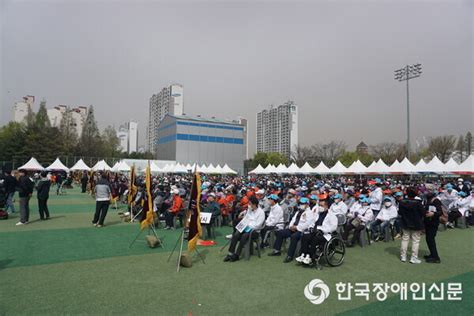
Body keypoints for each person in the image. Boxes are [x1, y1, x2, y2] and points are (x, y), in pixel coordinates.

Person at [268, 197, 317, 263]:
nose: (301, 205)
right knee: (280, 233)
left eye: (303, 203)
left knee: (294, 237)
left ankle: (290, 256)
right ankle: (277, 250)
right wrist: (291, 226)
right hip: (292, 228)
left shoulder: (310, 213)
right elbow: (293, 220)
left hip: (301, 230)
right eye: (300, 203)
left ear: (307, 204)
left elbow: (307, 224)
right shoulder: (298, 211)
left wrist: (296, 227)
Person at [296, 195, 338, 265]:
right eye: (319, 205)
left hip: (325, 234)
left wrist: (323, 230)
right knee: (305, 236)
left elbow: (333, 227)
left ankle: (311, 256)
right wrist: (310, 227)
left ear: (326, 206)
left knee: (314, 239)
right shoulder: (318, 214)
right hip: (315, 231)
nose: (320, 207)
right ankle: (303, 254)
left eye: (322, 206)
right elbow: (312, 222)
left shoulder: (332, 215)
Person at [224, 195, 265, 262]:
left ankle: (237, 254)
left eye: (250, 204)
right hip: (246, 228)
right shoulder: (250, 209)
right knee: (236, 233)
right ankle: (230, 253)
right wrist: (243, 225)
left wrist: (249, 226)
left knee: (244, 236)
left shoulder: (261, 212)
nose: (249, 205)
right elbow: (246, 218)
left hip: (254, 231)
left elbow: (259, 225)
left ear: (254, 204)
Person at [398, 187, 425, 264]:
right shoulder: (418, 203)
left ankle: (403, 256)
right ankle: (413, 257)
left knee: (405, 239)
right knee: (415, 241)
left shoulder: (401, 202)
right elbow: (423, 213)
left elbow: (400, 212)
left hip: (405, 222)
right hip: (416, 223)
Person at [424, 191, 443, 263]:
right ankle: (432, 254)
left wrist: (433, 214)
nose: (427, 192)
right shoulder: (427, 200)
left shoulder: (436, 200)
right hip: (428, 222)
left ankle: (436, 257)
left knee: (430, 239)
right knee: (428, 239)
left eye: (429, 190)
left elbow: (440, 212)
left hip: (433, 222)